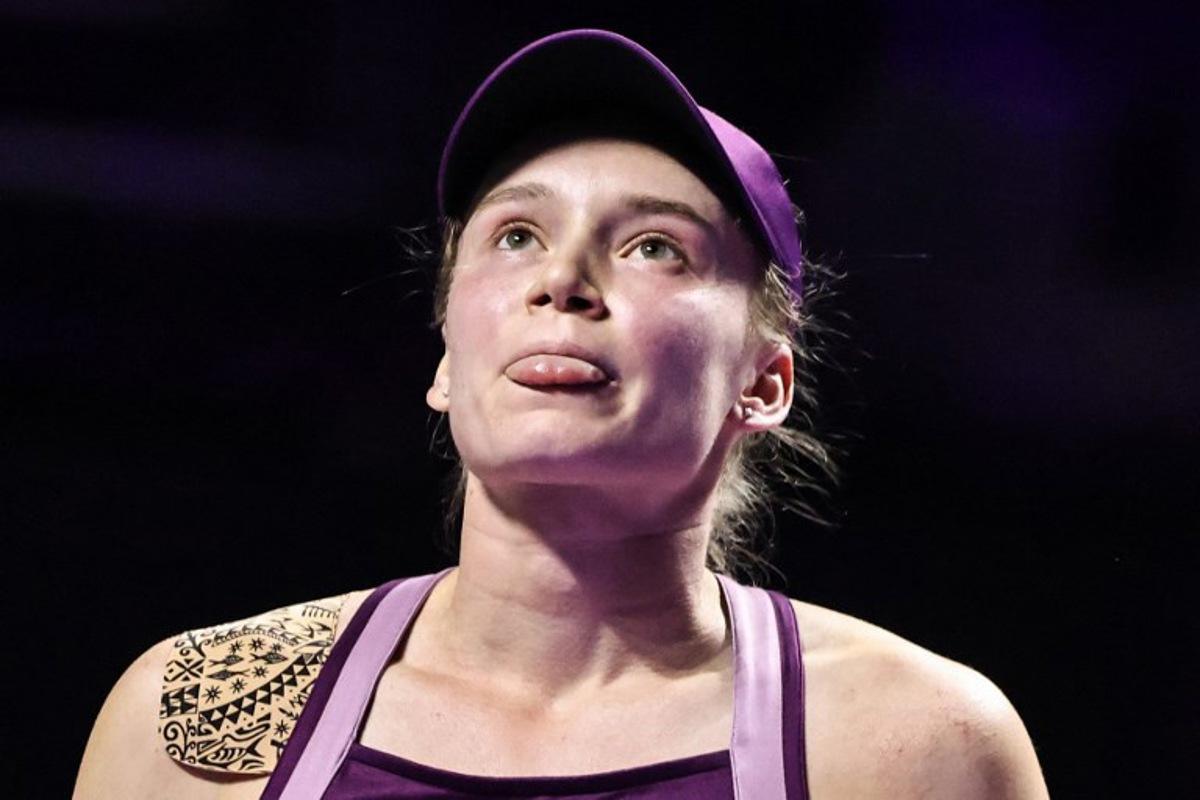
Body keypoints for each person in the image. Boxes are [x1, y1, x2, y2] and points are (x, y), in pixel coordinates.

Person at [73, 29, 1050, 799]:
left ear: (763, 382)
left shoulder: (918, 745)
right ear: (446, 359)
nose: (562, 278)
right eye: (517, 234)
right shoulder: (184, 719)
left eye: (656, 246)